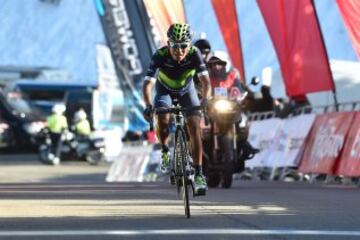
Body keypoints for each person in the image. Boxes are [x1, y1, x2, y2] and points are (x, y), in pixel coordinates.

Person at [142, 23, 212, 195]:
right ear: (168, 44)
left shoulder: (195, 54)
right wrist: (148, 106)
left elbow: (206, 82)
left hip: (187, 91)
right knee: (163, 119)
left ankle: (199, 174)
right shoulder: (160, 55)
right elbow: (147, 84)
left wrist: (206, 100)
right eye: (175, 45)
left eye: (183, 46)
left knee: (194, 128)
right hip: (164, 90)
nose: (179, 51)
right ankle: (165, 150)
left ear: (189, 45)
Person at [207, 51, 260, 159]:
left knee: (243, 122)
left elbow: (239, 87)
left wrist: (248, 94)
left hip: (231, 107)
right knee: (203, 124)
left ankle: (245, 145)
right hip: (213, 108)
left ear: (226, 63)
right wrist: (202, 96)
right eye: (214, 63)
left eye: (220, 63)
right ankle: (201, 152)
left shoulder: (233, 74)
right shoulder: (207, 76)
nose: (217, 66)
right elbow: (201, 88)